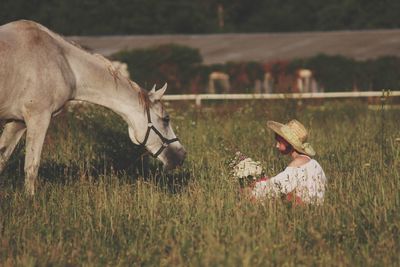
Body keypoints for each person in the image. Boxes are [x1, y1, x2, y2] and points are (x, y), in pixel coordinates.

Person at [250, 119, 327, 205]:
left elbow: (276, 187)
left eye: (279, 142)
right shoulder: (313, 163)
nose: (277, 145)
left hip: (304, 209)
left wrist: (253, 186)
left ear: (288, 143)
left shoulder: (297, 164)